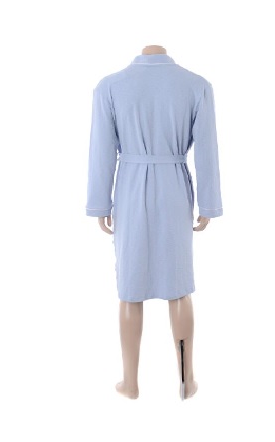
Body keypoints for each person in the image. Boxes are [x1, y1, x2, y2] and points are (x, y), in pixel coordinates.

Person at [86, 45, 223, 400]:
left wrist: (100, 203)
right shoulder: (196, 85)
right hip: (175, 187)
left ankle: (130, 382)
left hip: (130, 188)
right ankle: (186, 379)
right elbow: (207, 152)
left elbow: (101, 152)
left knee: (130, 287)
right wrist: (208, 204)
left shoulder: (110, 86)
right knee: (179, 285)